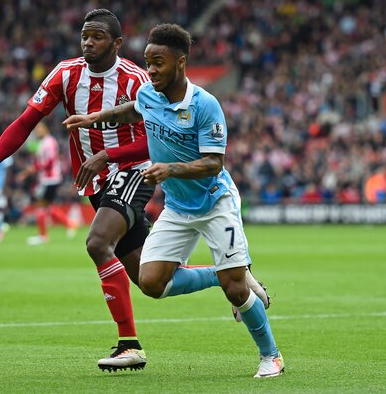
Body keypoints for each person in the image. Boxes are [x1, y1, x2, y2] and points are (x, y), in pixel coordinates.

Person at [0, 9, 224, 372]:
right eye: (85, 35)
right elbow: (26, 122)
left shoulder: (138, 80)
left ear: (117, 43)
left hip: (132, 171)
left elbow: (160, 141)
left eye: (97, 36)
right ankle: (228, 274)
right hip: (97, 182)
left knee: (97, 242)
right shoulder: (65, 73)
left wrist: (108, 155)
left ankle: (128, 346)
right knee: (151, 280)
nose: (88, 42)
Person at [64, 23, 283, 378]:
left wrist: (169, 169)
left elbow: (214, 163)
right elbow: (133, 110)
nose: (150, 70)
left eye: (158, 63)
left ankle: (270, 355)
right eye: (148, 62)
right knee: (151, 283)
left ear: (180, 63)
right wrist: (95, 118)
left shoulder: (205, 105)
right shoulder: (151, 93)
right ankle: (222, 275)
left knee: (236, 290)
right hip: (179, 209)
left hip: (215, 203)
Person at [17, 122, 78, 245]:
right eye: (37, 129)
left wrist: (31, 170)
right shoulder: (43, 142)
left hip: (50, 179)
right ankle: (69, 224)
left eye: (40, 129)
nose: (38, 131)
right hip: (47, 179)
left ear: (46, 129)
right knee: (47, 207)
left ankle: (43, 236)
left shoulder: (49, 142)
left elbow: (49, 162)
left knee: (41, 206)